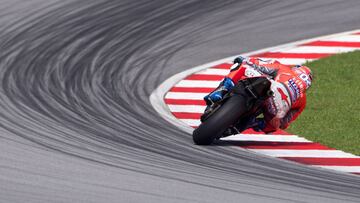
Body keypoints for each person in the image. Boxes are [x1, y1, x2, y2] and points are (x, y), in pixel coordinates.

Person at [204, 56, 313, 134]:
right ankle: (249, 123)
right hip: (272, 107)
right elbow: (285, 123)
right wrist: (264, 123)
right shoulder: (302, 100)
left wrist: (245, 60)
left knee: (242, 66)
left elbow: (257, 64)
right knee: (272, 126)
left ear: (296, 70)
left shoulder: (285, 69)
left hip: (266, 90)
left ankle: (221, 90)